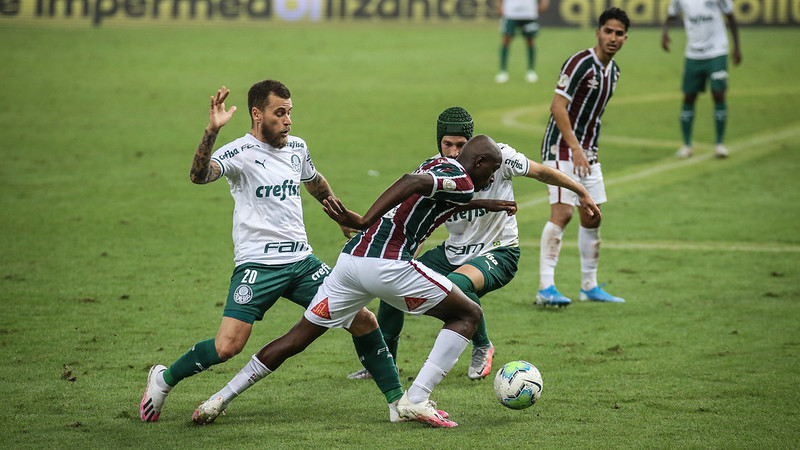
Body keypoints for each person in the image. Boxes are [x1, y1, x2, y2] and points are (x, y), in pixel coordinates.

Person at [191, 135, 514, 428]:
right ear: (479, 163)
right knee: (469, 314)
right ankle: (415, 399)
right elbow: (411, 182)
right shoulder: (462, 180)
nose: (492, 178)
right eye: (492, 170)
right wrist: (363, 219)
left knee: (296, 338)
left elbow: (427, 195)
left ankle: (218, 399)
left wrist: (486, 204)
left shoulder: (439, 163)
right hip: (389, 265)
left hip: (350, 264)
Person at [140, 80, 402, 423]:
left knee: (363, 319)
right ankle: (163, 379)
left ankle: (398, 405)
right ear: (257, 114)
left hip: (302, 263)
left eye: (290, 112)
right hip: (258, 267)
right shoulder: (239, 153)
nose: (288, 120)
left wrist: (340, 215)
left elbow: (314, 180)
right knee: (227, 347)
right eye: (280, 113)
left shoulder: (296, 147)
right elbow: (198, 175)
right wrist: (211, 131)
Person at [347, 107, 601, 382]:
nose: (454, 152)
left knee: (459, 284)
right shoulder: (434, 171)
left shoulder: (498, 157)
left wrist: (582, 192)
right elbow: (417, 222)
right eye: (447, 144)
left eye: (460, 145)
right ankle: (384, 364)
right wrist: (403, 259)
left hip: (499, 251)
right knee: (392, 286)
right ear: (438, 142)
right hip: (452, 252)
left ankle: (482, 345)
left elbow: (542, 172)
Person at [536, 7, 630, 307]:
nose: (612, 38)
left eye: (618, 33)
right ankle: (545, 287)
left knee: (592, 216)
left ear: (625, 38)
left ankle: (589, 285)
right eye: (608, 31)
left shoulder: (613, 73)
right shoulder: (580, 63)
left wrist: (587, 150)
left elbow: (594, 117)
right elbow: (557, 107)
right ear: (598, 32)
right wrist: (575, 147)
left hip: (586, 152)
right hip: (562, 148)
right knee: (562, 213)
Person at [662, 0, 741, 159]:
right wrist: (665, 33)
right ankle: (686, 145)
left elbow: (731, 17)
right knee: (689, 96)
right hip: (693, 53)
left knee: (718, 93)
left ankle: (719, 144)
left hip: (717, 51)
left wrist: (737, 46)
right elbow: (671, 15)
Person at [494, 0, 550, 83]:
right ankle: (503, 72)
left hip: (529, 13)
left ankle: (531, 71)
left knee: (530, 40)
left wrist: (544, 2)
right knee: (506, 40)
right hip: (510, 12)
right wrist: (498, 5)